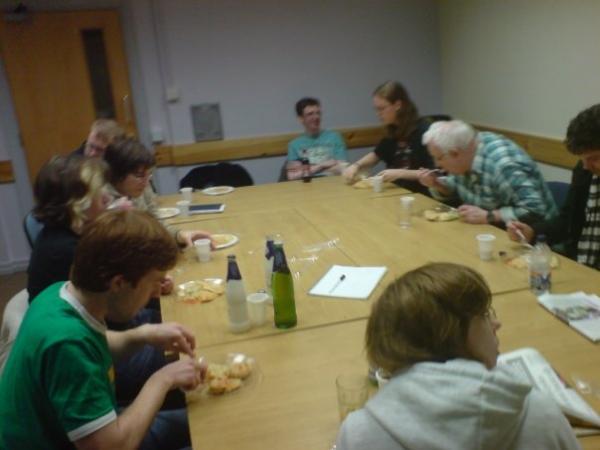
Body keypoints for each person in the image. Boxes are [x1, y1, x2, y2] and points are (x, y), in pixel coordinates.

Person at [0, 210, 205, 449]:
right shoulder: (66, 345)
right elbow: (111, 447)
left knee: (203, 416)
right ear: (118, 283)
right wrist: (163, 379)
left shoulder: (58, 294)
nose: (158, 292)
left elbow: (93, 345)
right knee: (213, 433)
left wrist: (143, 335)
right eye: (154, 281)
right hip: (102, 441)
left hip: (89, 432)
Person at [335, 262, 579, 450]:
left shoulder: (360, 434)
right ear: (451, 334)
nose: (497, 322)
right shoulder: (539, 414)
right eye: (484, 314)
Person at [507, 104, 600, 268]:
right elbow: (568, 220)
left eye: (593, 158)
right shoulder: (586, 172)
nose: (585, 166)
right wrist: (532, 232)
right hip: (580, 265)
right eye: (583, 159)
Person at [418, 120, 558, 225]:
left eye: (438, 158)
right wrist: (437, 185)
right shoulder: (465, 152)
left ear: (455, 153)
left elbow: (535, 209)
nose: (437, 164)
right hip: (493, 232)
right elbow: (457, 187)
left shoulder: (502, 165)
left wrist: (489, 216)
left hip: (538, 240)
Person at [104, 137, 213, 248]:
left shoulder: (142, 186)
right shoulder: (102, 201)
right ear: (117, 174)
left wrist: (180, 235)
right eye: (139, 175)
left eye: (149, 175)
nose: (146, 183)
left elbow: (156, 222)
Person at [27, 155, 110, 300]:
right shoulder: (66, 251)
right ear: (77, 203)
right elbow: (109, 307)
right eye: (97, 191)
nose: (106, 197)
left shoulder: (71, 232)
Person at [343, 81, 437, 195]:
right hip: (397, 192)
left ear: (398, 105)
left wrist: (400, 173)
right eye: (376, 109)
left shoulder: (424, 131)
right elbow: (376, 155)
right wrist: (355, 166)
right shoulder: (393, 129)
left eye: (382, 108)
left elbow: (433, 173)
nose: (378, 114)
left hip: (421, 194)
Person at [286, 97, 347, 180]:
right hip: (307, 187)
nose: (316, 117)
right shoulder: (294, 145)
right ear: (301, 119)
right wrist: (321, 165)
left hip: (333, 185)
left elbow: (342, 168)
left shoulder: (334, 137)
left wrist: (307, 170)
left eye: (318, 113)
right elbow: (292, 176)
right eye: (310, 114)